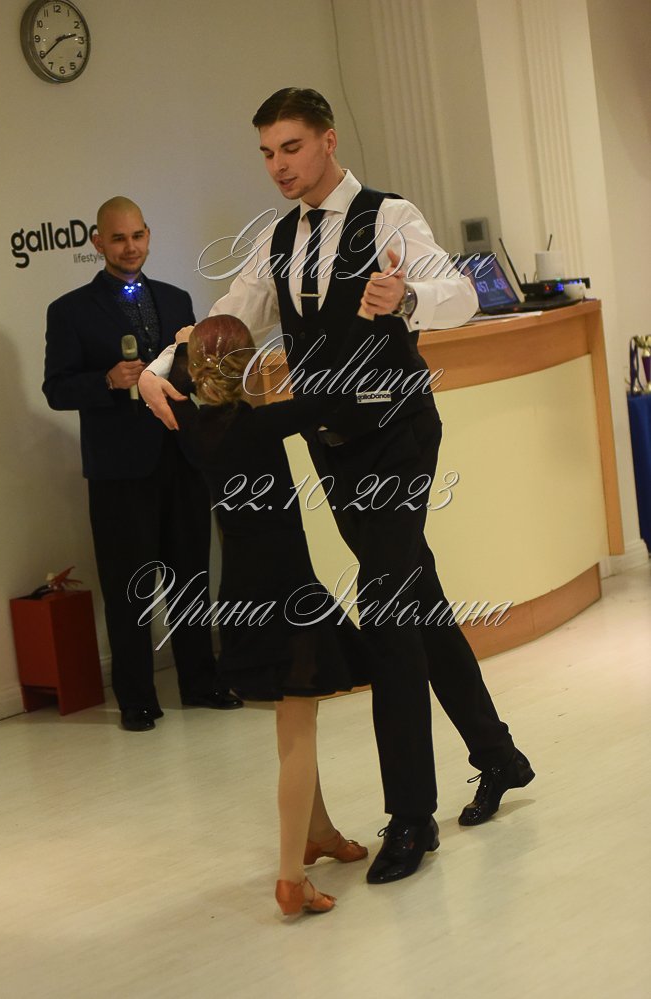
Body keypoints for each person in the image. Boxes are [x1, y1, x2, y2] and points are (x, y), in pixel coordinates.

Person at [141, 89, 534, 882]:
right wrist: (161, 366)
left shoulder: (389, 216)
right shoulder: (278, 239)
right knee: (415, 597)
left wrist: (410, 297)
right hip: (335, 446)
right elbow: (231, 316)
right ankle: (498, 754)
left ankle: (411, 816)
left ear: (327, 140)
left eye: (290, 147)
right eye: (266, 153)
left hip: (399, 434)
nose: (278, 166)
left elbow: (461, 293)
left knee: (387, 612)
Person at [161, 307, 388, 915]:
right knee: (298, 732)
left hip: (240, 592)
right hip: (287, 590)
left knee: (293, 718)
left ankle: (319, 833)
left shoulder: (189, 427)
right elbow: (334, 397)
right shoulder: (264, 424)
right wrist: (366, 323)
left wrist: (180, 348)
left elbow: (159, 383)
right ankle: (290, 878)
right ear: (248, 368)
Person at [42, 196, 242, 732]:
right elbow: (56, 389)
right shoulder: (70, 311)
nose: (130, 247)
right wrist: (107, 381)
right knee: (128, 583)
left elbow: (194, 373)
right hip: (119, 470)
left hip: (181, 456)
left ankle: (200, 682)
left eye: (137, 236)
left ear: (148, 235)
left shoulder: (176, 299)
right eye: (118, 238)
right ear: (98, 243)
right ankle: (136, 696)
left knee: (191, 575)